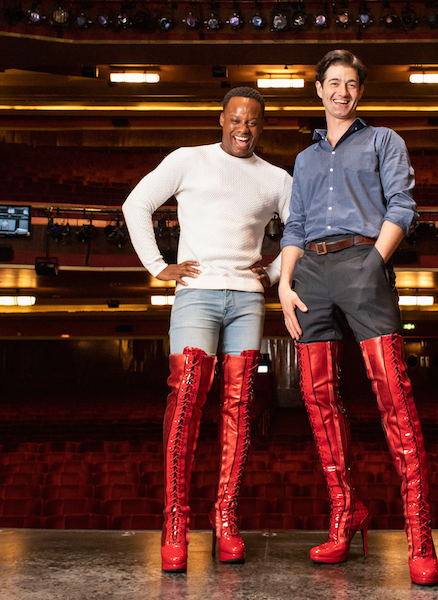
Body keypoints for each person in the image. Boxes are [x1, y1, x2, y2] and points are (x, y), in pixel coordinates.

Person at [277, 50, 438, 586]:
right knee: (318, 399)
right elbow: (295, 224)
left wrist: (374, 264)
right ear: (318, 90)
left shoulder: (384, 141)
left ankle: (419, 535)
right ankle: (345, 515)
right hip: (310, 277)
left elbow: (402, 206)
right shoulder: (303, 159)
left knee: (393, 395)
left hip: (363, 262)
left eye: (351, 84)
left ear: (359, 92)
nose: (341, 91)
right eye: (333, 83)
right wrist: (284, 283)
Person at [123, 86, 292, 573]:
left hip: (247, 300)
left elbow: (300, 229)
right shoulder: (188, 159)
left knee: (240, 408)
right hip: (196, 293)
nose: (244, 128)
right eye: (236, 119)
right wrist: (158, 266)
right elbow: (136, 205)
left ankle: (227, 518)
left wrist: (275, 273)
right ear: (221, 119)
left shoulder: (277, 178)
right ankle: (175, 520)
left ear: (263, 126)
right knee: (187, 400)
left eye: (254, 122)